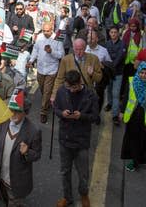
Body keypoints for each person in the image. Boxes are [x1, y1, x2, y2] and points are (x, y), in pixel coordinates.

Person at [53, 70, 99, 207]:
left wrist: (82, 116)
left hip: (81, 140)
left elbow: (95, 117)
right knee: (65, 171)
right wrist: (62, 113)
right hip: (65, 139)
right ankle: (67, 197)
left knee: (83, 173)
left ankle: (83, 194)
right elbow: (55, 108)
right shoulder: (62, 91)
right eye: (68, 87)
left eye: (73, 88)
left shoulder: (90, 95)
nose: (70, 90)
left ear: (80, 83)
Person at [0, 88, 42, 206]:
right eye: (11, 110)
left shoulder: (33, 131)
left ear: (25, 112)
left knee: (13, 202)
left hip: (16, 181)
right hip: (0, 177)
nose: (13, 114)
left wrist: (27, 152)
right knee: (4, 198)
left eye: (17, 111)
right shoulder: (2, 122)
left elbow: (37, 155)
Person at [28, 22, 64, 123]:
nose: (45, 33)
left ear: (52, 29)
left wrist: (51, 51)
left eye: (47, 31)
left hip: (51, 70)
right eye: (44, 30)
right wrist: (31, 60)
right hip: (40, 69)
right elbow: (35, 50)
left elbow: (61, 55)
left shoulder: (57, 39)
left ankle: (43, 112)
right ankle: (47, 100)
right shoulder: (39, 37)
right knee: (43, 89)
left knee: (47, 91)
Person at [51, 38, 103, 103]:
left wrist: (93, 74)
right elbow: (59, 79)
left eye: (81, 49)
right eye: (76, 49)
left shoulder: (94, 58)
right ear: (73, 48)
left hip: (86, 95)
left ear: (85, 48)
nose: (78, 52)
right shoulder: (65, 60)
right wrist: (54, 94)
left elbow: (99, 79)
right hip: (70, 94)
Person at [104, 27, 126, 124]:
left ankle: (115, 115)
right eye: (111, 32)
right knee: (109, 89)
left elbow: (120, 57)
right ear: (109, 33)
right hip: (108, 72)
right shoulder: (107, 43)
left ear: (118, 34)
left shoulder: (122, 44)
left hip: (118, 72)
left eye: (115, 32)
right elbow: (105, 56)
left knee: (116, 93)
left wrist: (111, 65)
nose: (113, 34)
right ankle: (110, 103)